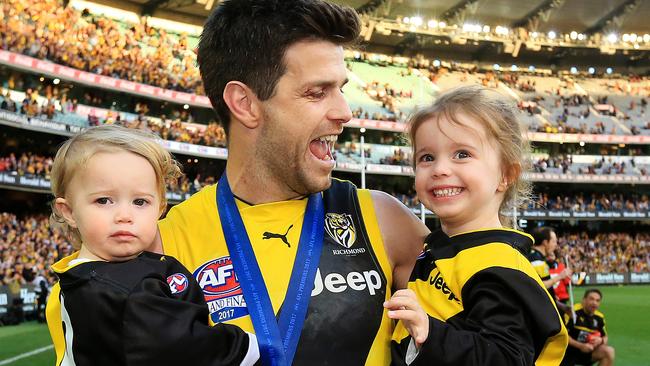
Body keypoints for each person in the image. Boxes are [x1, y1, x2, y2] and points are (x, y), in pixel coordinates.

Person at [154, 0, 428, 365]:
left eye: (341, 88)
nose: (345, 112)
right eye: (317, 92)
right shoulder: (164, 245)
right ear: (245, 104)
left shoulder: (385, 221)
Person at [45, 125, 259, 365]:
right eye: (104, 200)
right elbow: (190, 349)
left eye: (140, 201)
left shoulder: (80, 275)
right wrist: (252, 347)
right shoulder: (125, 289)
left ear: (160, 208)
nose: (124, 215)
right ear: (69, 211)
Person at [385, 85, 568, 365]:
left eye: (462, 154)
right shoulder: (443, 248)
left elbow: (507, 357)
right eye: (427, 157)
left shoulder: (498, 265)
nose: (440, 169)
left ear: (505, 175)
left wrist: (430, 333)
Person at [561, 289, 615, 366]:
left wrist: (600, 341)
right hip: (567, 352)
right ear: (584, 300)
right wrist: (581, 346)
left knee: (609, 351)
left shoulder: (599, 317)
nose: (594, 303)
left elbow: (605, 336)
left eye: (597, 300)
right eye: (591, 299)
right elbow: (563, 336)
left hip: (587, 351)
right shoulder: (572, 312)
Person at [529, 226, 572, 313]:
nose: (556, 244)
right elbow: (541, 286)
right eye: (554, 241)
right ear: (545, 242)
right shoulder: (537, 261)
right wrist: (560, 276)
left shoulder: (536, 257)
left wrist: (561, 306)